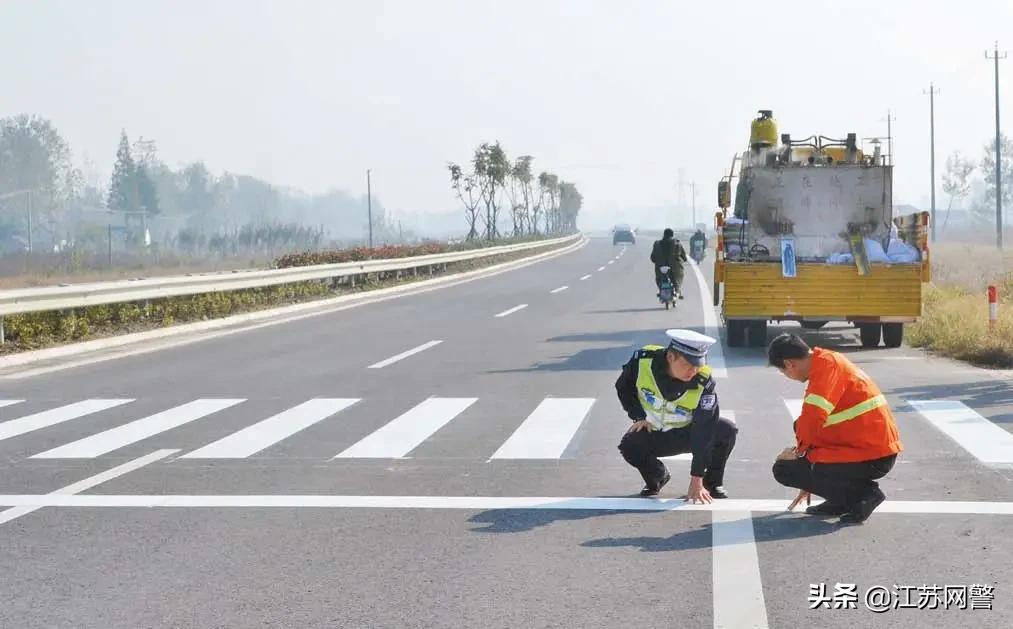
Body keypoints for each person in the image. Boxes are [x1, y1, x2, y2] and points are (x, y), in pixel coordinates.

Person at [768, 333, 903, 524]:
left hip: (873, 454)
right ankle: (841, 500)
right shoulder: (825, 361)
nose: (787, 376)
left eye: (784, 372)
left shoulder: (826, 369)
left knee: (784, 469)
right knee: (799, 437)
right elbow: (807, 424)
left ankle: (865, 495)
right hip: (868, 447)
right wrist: (807, 471)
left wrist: (799, 458)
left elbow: (813, 418)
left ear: (789, 364)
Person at [616, 329, 738, 503]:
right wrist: (638, 416)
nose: (693, 371)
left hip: (688, 433)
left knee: (725, 430)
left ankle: (712, 483)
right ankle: (657, 476)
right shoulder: (643, 360)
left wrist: (697, 478)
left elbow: (704, 431)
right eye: (688, 365)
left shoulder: (704, 382)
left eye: (697, 366)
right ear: (670, 357)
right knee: (630, 443)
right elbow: (623, 386)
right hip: (656, 432)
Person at [651, 228, 687, 300]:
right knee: (678, 277)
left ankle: (662, 290)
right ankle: (677, 290)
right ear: (672, 235)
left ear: (664, 235)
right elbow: (684, 257)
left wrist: (658, 261)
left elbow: (652, 258)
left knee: (659, 279)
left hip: (661, 269)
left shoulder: (657, 244)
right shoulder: (677, 244)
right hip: (675, 269)